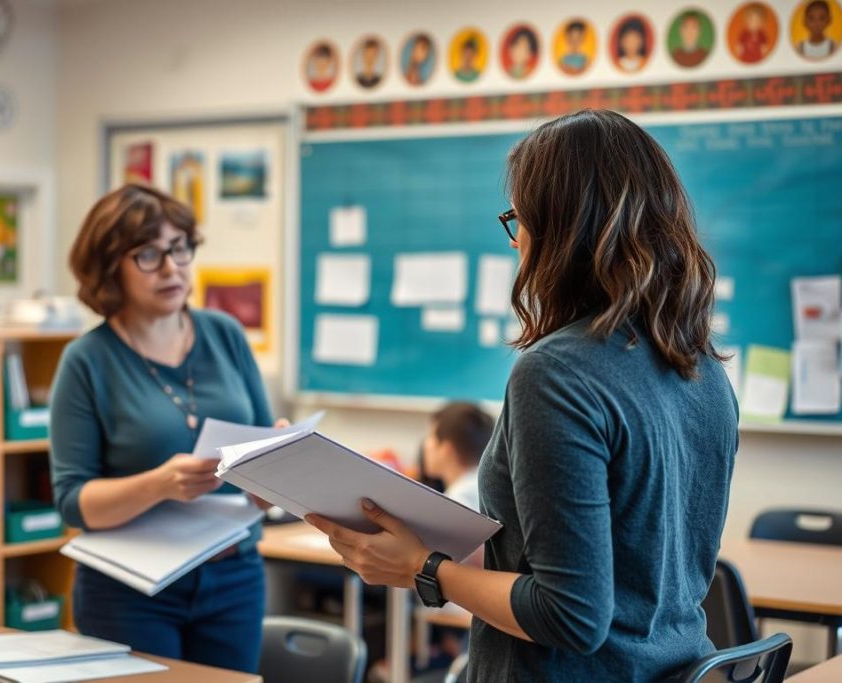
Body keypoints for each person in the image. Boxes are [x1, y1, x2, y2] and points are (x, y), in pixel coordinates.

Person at [306, 110, 738, 681]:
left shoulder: (557, 374)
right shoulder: (702, 366)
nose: (517, 244)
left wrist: (422, 568)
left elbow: (571, 616)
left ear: (559, 230)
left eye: (519, 220)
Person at [50, 184, 283, 673]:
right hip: (130, 589)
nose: (172, 268)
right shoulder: (86, 360)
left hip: (233, 576)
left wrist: (278, 471)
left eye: (180, 249)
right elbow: (73, 501)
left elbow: (264, 453)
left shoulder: (225, 334)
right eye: (149, 255)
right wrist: (158, 485)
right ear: (109, 266)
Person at [422, 402, 493, 512]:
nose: (425, 445)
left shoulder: (455, 503)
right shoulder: (487, 489)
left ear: (446, 450)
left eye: (431, 436)